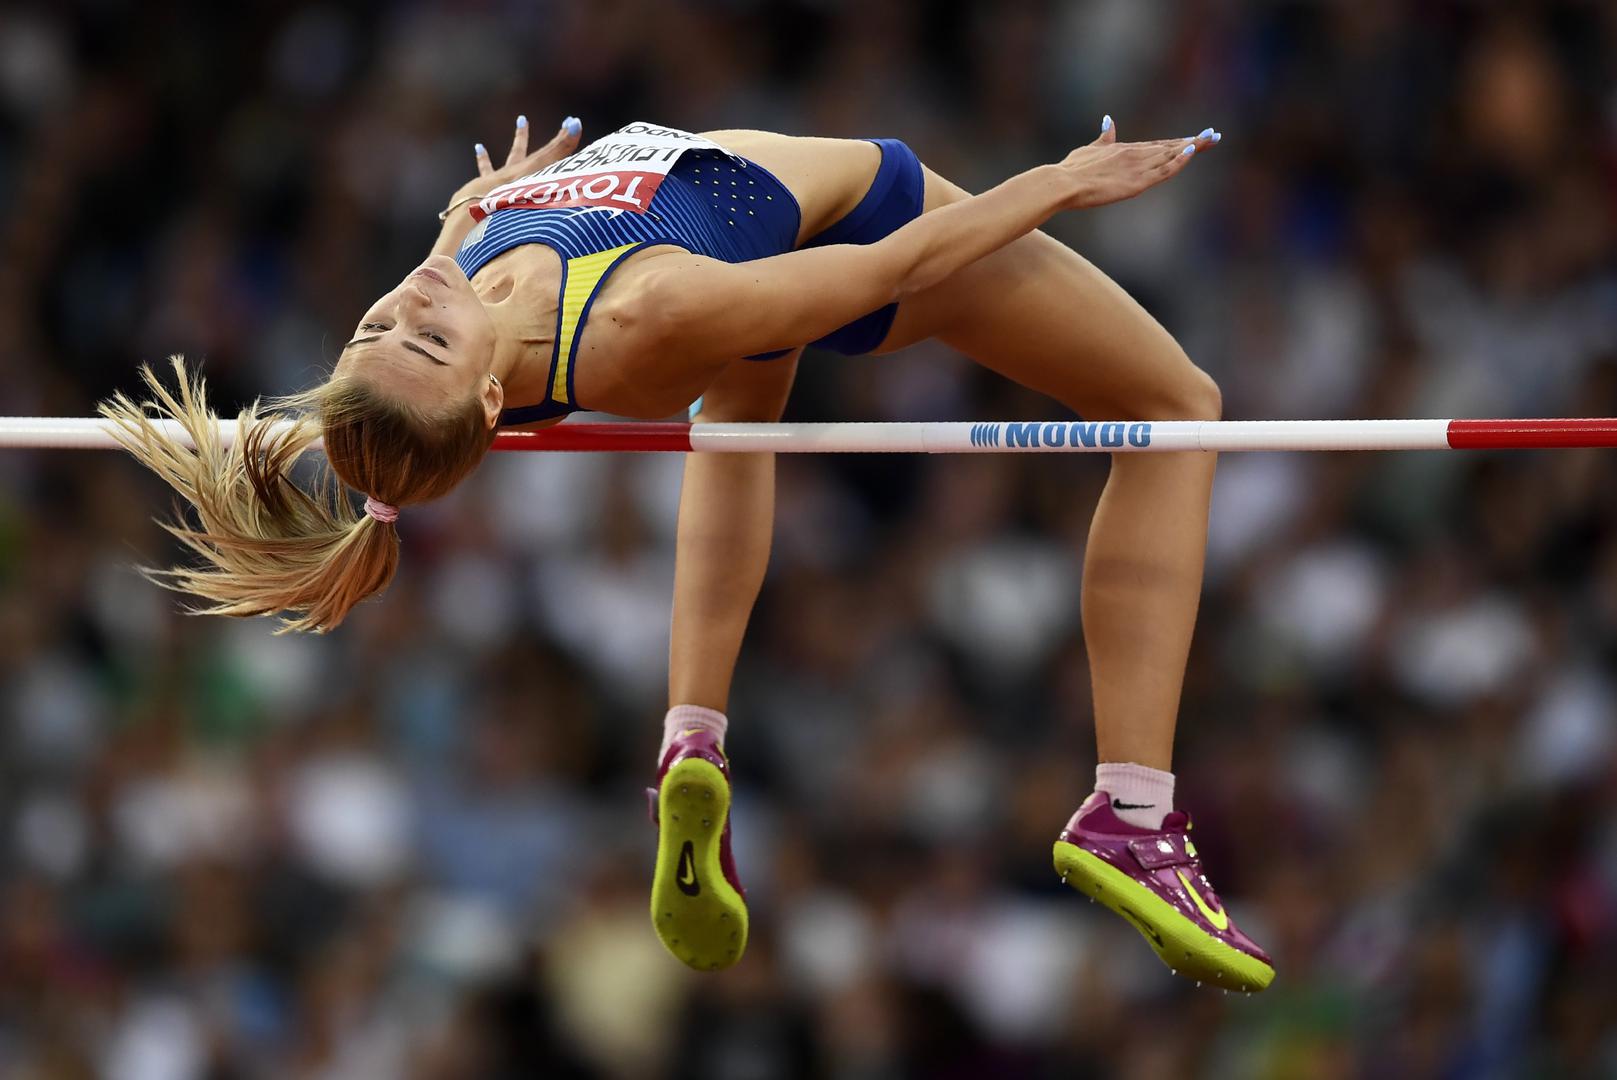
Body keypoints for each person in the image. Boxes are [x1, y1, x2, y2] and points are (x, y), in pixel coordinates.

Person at [102, 113, 1272, 992]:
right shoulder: (638, 319)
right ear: (493, 391)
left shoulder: (441, 308)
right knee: (1178, 403)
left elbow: (435, 293)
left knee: (740, 420)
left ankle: (691, 741)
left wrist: (475, 208)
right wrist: (1055, 184)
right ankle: (1132, 807)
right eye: (424, 333)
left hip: (736, 246)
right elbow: (894, 269)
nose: (409, 301)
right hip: (854, 221)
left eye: (380, 326)